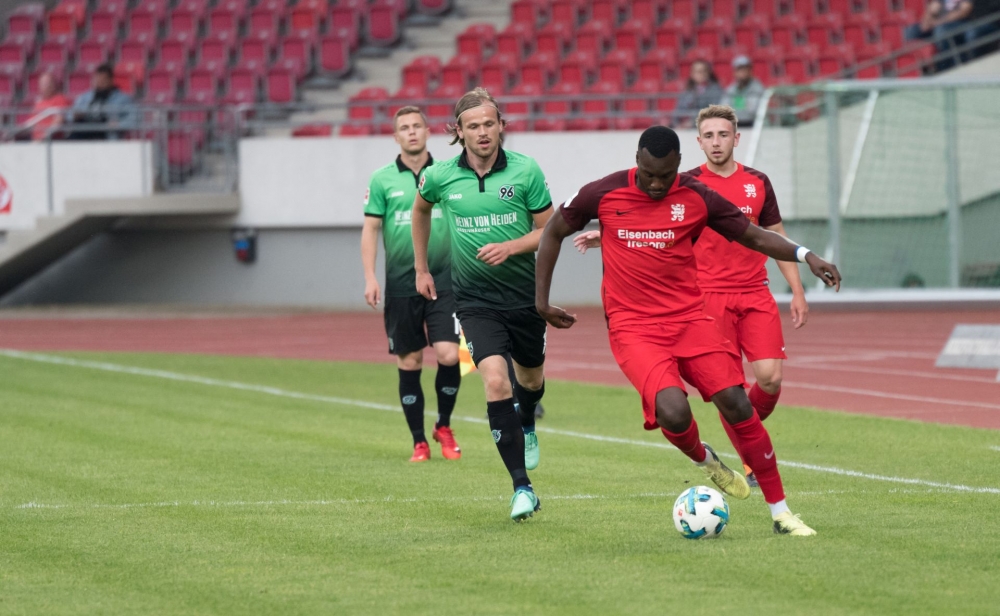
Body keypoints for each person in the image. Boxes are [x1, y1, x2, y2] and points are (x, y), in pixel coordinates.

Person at [535, 126, 842, 536]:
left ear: (678, 165)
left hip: (690, 319)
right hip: (634, 327)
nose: (656, 184)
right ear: (637, 161)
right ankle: (705, 460)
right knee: (674, 412)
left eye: (665, 176)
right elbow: (554, 230)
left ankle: (782, 513)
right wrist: (541, 301)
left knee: (737, 404)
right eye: (648, 175)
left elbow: (753, 235)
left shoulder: (698, 196)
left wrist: (807, 256)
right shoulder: (603, 192)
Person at [573, 105, 809, 488]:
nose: (716, 142)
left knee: (769, 379)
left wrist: (798, 286)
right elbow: (649, 224)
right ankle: (746, 456)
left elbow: (770, 234)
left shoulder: (757, 182)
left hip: (754, 290)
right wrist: (608, 235)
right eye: (709, 136)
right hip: (705, 296)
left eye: (723, 134)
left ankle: (741, 435)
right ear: (698, 142)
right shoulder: (682, 182)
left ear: (736, 138)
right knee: (722, 392)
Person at [412, 87, 553, 521]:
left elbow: (549, 231)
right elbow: (420, 211)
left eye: (489, 123)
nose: (482, 132)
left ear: (501, 126)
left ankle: (527, 422)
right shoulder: (439, 176)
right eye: (473, 126)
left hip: (524, 299)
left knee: (530, 380)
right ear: (458, 131)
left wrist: (511, 247)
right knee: (495, 382)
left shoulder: (526, 170)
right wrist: (421, 268)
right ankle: (522, 488)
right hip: (474, 301)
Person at [361, 105, 463, 463]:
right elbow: (371, 229)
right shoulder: (382, 179)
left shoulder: (446, 173)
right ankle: (419, 441)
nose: (412, 132)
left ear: (427, 131)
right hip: (402, 283)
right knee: (411, 360)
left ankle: (443, 425)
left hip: (445, 280)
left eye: (417, 126)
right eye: (404, 128)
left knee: (448, 354)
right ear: (396, 137)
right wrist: (370, 276)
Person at [69, 64, 136, 140]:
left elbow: (135, 118)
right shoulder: (85, 97)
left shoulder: (123, 99)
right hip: (84, 132)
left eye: (103, 80)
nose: (99, 83)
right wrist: (75, 116)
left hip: (106, 135)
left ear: (111, 80)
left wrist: (119, 124)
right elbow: (69, 114)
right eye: (97, 80)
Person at [905, 0, 974, 70]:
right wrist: (926, 22)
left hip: (959, 23)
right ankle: (922, 67)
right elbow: (931, 9)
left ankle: (947, 66)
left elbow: (964, 11)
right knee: (912, 31)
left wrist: (939, 22)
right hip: (939, 24)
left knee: (940, 30)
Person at [675, 60, 723, 128]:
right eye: (698, 71)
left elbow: (713, 112)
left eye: (704, 71)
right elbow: (678, 111)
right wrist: (677, 123)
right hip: (685, 129)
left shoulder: (716, 90)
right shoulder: (687, 91)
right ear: (692, 74)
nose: (701, 74)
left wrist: (692, 122)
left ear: (708, 73)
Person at [720, 56, 765, 127]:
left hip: (753, 124)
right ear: (734, 72)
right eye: (739, 69)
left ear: (750, 71)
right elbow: (723, 109)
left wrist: (735, 113)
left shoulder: (757, 88)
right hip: (735, 124)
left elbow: (753, 112)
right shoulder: (731, 89)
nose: (742, 72)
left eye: (745, 69)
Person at [28, 72, 70, 141]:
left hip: (51, 141)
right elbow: (31, 124)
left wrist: (43, 137)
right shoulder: (38, 103)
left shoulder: (60, 99)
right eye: (42, 84)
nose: (44, 86)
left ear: (53, 85)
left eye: (46, 83)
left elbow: (58, 122)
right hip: (35, 141)